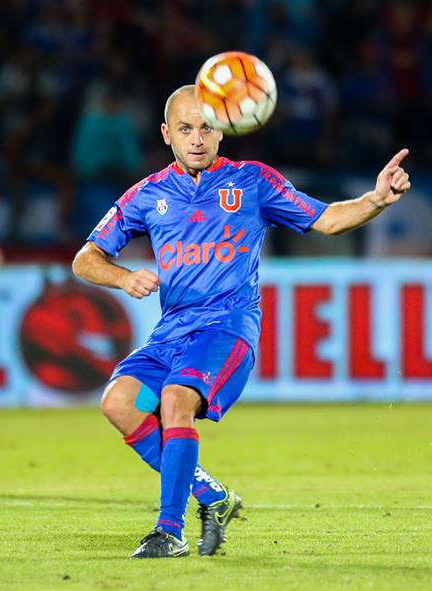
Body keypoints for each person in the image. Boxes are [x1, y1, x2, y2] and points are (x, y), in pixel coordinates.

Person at [72, 85, 411, 558]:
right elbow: (85, 259)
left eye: (206, 127)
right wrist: (123, 278)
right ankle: (213, 497)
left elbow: (327, 219)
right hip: (170, 333)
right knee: (119, 403)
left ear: (223, 131)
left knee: (174, 402)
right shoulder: (147, 195)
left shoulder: (252, 182)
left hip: (226, 330)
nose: (196, 138)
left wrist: (376, 200)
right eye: (186, 129)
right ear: (166, 134)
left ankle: (169, 531)